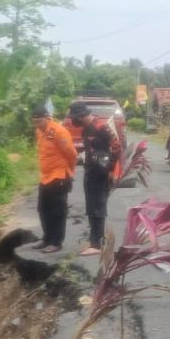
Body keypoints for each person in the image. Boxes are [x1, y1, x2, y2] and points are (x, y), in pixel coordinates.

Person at [69, 101, 122, 256]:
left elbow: (116, 147)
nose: (74, 121)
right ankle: (95, 241)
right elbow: (89, 149)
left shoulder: (101, 127)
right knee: (91, 207)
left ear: (82, 115)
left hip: (101, 172)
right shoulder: (86, 128)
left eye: (76, 118)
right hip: (91, 171)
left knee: (97, 207)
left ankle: (96, 245)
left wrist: (112, 170)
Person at [32, 103, 77, 253]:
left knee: (57, 211)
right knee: (43, 209)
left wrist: (69, 171)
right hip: (45, 177)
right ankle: (47, 238)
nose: (37, 125)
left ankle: (56, 242)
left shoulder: (59, 131)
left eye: (39, 121)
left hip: (59, 176)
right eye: (35, 122)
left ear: (47, 118)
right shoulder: (40, 131)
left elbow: (72, 155)